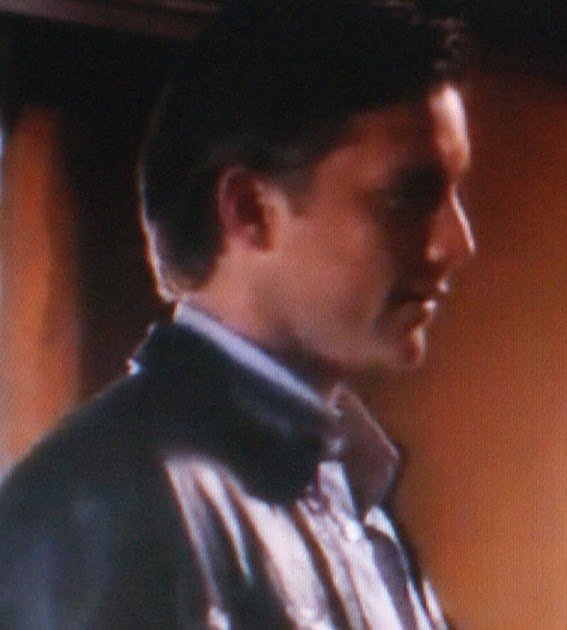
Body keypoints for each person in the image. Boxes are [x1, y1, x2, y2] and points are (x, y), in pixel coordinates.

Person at [0, 1, 473, 627]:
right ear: (248, 209)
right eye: (407, 197)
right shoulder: (103, 505)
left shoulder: (353, 497)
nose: (456, 243)